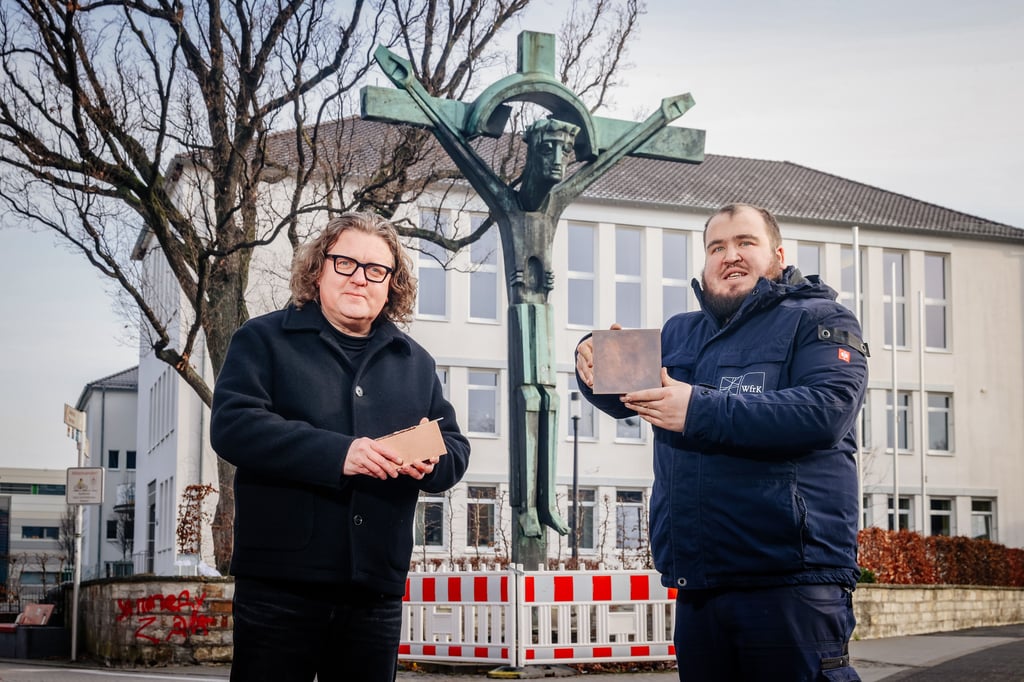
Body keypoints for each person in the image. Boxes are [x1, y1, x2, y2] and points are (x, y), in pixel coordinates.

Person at [575, 203, 868, 681]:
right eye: (717, 247)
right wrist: (589, 357)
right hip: (700, 581)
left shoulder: (821, 318)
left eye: (744, 243)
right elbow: (627, 397)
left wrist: (696, 409)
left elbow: (825, 412)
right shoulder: (680, 332)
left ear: (777, 254)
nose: (730, 255)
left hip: (792, 581)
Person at [210, 212, 470, 682]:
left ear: (392, 284)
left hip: (374, 589)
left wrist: (434, 461)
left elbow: (454, 445)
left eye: (376, 270)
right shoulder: (264, 339)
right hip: (280, 585)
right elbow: (233, 425)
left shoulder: (414, 361)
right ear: (317, 270)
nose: (360, 278)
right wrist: (339, 454)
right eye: (345, 263)